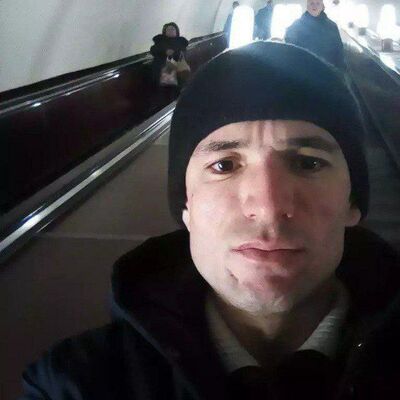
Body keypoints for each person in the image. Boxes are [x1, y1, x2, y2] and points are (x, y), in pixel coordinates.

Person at [20, 42, 400, 399]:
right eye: (224, 166)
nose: (267, 207)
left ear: (353, 200)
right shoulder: (74, 384)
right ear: (186, 203)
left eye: (308, 163)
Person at [285, 0, 346, 70]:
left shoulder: (332, 26)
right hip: (303, 70)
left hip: (327, 70)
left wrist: (342, 70)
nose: (314, 6)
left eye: (318, 3)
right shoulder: (296, 25)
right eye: (312, 3)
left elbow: (339, 50)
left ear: (322, 6)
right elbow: (289, 49)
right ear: (307, 6)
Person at [150, 22, 189, 86]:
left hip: (178, 74)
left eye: (173, 29)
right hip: (161, 74)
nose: (170, 31)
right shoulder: (160, 41)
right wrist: (165, 51)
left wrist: (174, 53)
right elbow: (153, 50)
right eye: (168, 29)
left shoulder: (181, 42)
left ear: (176, 32)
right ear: (165, 32)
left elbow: (183, 53)